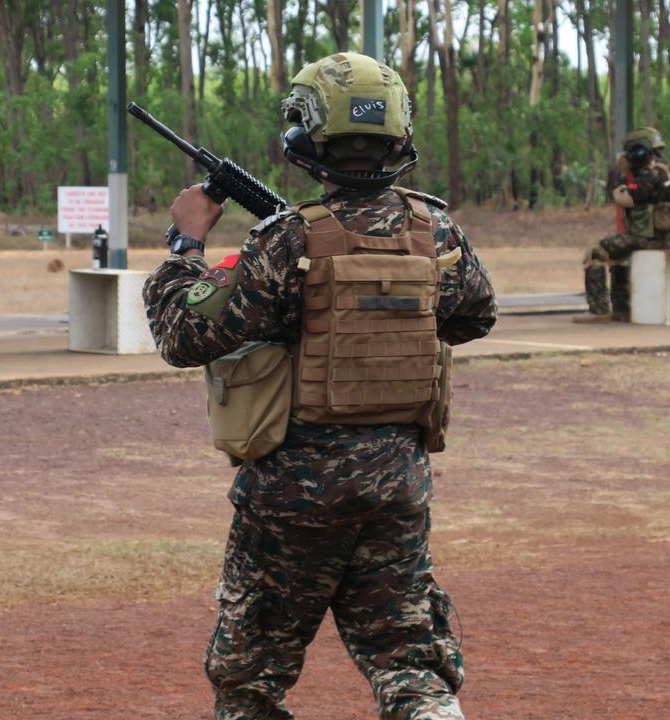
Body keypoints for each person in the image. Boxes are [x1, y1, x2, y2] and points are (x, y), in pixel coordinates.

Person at [143, 52, 497, 719]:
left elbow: (181, 336)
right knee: (409, 664)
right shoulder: (436, 230)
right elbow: (475, 314)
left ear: (307, 136)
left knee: (249, 680)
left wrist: (186, 245)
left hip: (292, 496)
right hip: (396, 483)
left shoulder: (284, 242)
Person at [577, 126, 670, 322]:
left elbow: (625, 198)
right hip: (666, 236)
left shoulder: (649, 175)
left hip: (651, 238)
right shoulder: (666, 171)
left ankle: (599, 309)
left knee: (596, 252)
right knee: (618, 254)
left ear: (639, 152)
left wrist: (619, 177)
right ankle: (621, 307)